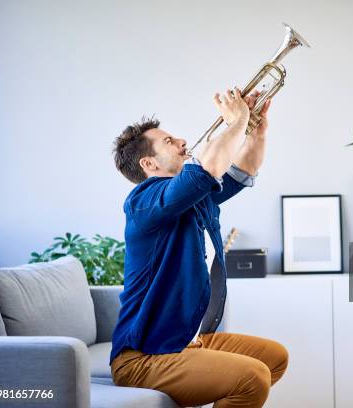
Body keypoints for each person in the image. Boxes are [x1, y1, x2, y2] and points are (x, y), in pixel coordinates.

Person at [109, 88, 288, 408]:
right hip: (143, 358)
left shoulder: (191, 198)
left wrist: (256, 132)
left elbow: (241, 171)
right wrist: (237, 121)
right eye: (168, 141)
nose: (181, 141)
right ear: (148, 163)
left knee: (275, 358)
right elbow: (207, 167)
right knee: (252, 377)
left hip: (183, 341)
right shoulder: (143, 201)